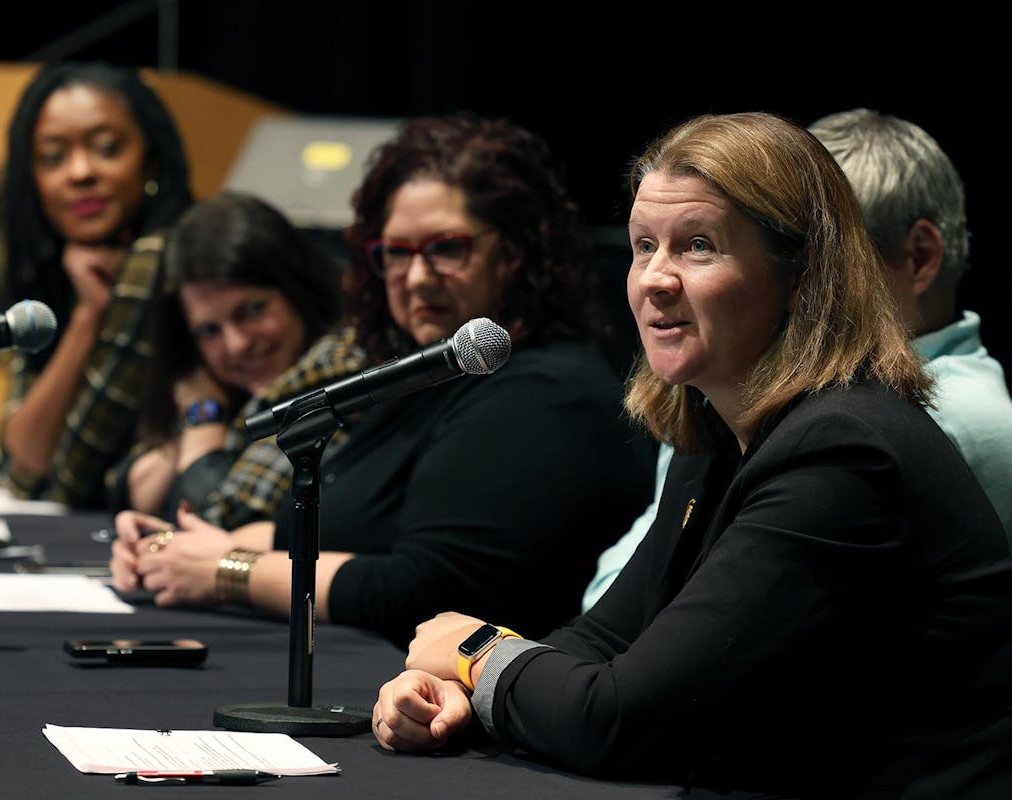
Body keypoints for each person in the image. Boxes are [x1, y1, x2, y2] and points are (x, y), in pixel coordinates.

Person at [372, 112, 1012, 798]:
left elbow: (620, 720)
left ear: (800, 276)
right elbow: (607, 640)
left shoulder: (847, 453)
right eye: (643, 245)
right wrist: (462, 692)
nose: (655, 279)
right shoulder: (715, 428)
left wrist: (475, 653)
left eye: (698, 246)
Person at [108, 113, 656, 646]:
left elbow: (425, 590)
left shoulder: (546, 396)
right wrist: (180, 549)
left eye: (445, 248)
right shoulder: (428, 378)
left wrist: (227, 569)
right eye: (396, 253)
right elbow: (325, 530)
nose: (416, 278)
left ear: (513, 253)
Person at [580, 106, 1012, 612]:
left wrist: (487, 657)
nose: (657, 276)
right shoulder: (725, 403)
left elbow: (667, 639)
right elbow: (619, 608)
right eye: (645, 245)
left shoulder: (866, 429)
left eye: (843, 251)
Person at [0, 61, 193, 509]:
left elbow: (68, 481)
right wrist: (88, 316)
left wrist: (94, 312)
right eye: (53, 157)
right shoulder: (62, 269)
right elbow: (18, 468)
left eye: (106, 147)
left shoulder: (160, 258)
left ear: (151, 159)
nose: (80, 172)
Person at [106, 190, 364, 526]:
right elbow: (131, 484)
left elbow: (226, 523)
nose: (237, 344)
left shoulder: (336, 366)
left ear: (298, 289)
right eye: (209, 330)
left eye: (253, 310)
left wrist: (202, 420)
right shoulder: (219, 383)